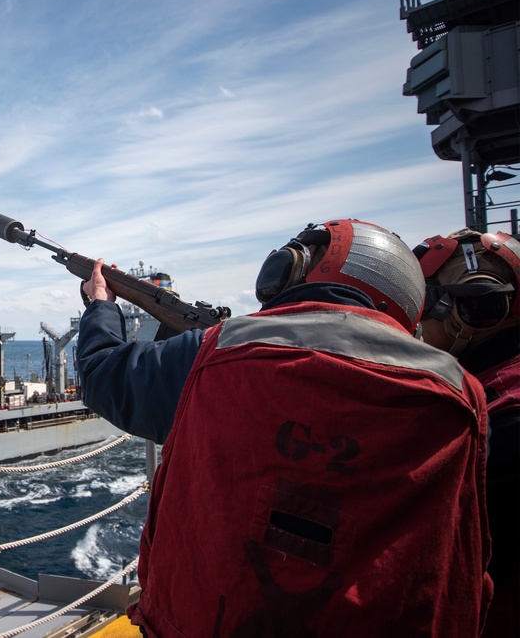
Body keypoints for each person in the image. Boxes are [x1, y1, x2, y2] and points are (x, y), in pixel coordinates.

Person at [76, 219, 492, 637]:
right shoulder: (462, 393)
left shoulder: (216, 350)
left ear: (289, 268)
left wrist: (100, 305)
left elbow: (102, 376)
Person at [414, 228, 520, 638]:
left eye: (427, 303)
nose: (416, 321)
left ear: (478, 309)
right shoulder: (491, 387)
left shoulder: (507, 423)